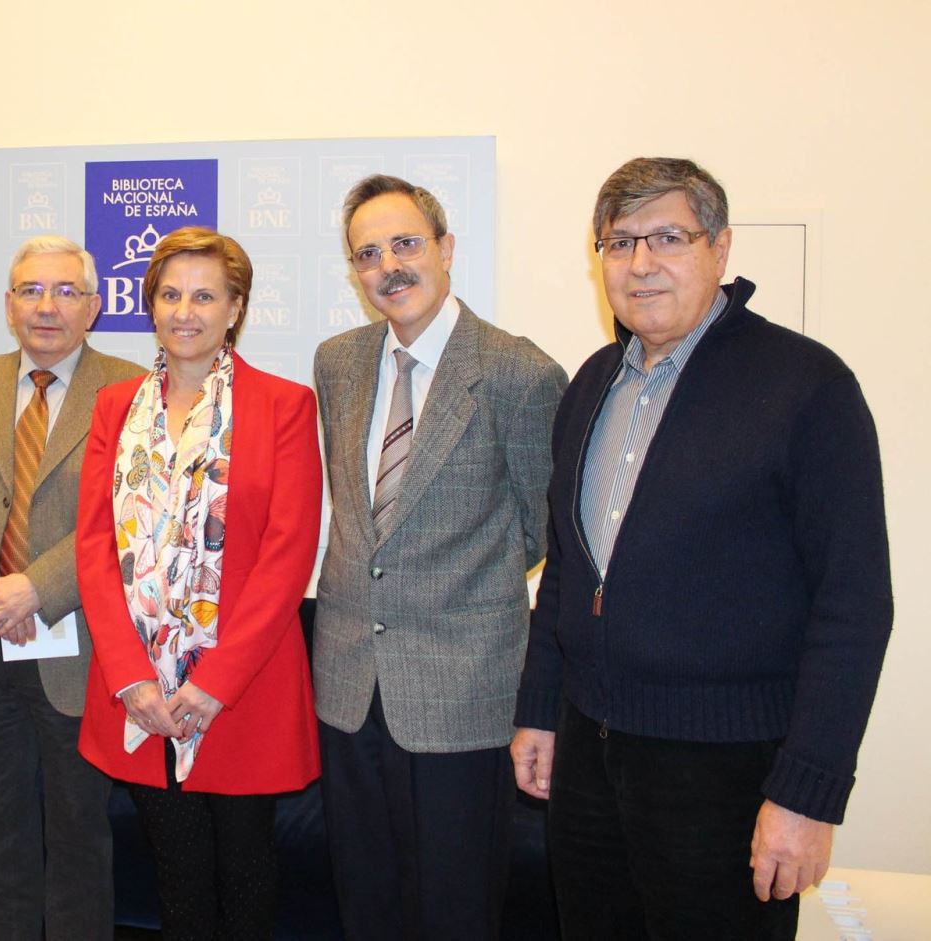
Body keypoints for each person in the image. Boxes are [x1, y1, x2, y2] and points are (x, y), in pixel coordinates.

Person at [511, 157, 893, 939]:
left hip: (727, 771)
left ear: (720, 248)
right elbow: (565, 570)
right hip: (589, 753)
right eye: (619, 242)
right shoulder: (590, 385)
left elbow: (853, 606)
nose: (641, 263)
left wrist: (807, 793)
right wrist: (537, 712)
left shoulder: (807, 385)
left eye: (667, 237)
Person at [312, 174, 568, 939]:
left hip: (463, 693)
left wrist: (453, 583)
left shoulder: (519, 372)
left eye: (405, 243)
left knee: (454, 909)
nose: (388, 264)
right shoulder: (338, 362)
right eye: (367, 253)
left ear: (447, 249)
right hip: (349, 685)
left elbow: (539, 529)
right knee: (367, 901)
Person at [76, 227, 321, 940]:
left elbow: (287, 556)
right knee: (177, 883)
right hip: (143, 695)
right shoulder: (115, 408)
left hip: (240, 691)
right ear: (150, 303)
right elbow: (93, 547)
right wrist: (132, 680)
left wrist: (214, 682)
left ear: (235, 308)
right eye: (172, 294)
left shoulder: (284, 406)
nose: (186, 310)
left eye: (206, 295)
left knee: (246, 879)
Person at [0, 235, 142, 940]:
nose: (47, 306)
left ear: (96, 306)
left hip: (80, 656)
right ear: (8, 304)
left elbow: (128, 510)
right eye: (31, 291)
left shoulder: (132, 387)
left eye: (66, 291)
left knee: (79, 840)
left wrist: (34, 590)